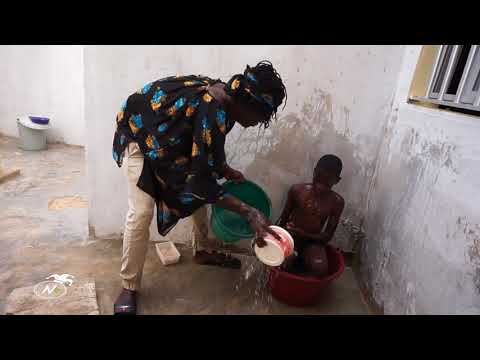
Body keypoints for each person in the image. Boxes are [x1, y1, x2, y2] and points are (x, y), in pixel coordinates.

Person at [112, 61, 287, 314]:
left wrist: (224, 170)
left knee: (198, 190)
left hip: (166, 144)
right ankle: (129, 286)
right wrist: (248, 212)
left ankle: (203, 251)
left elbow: (206, 147)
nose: (256, 123)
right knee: (141, 212)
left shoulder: (227, 100)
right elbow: (202, 179)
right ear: (246, 102)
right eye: (258, 117)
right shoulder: (211, 108)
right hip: (138, 135)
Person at [277, 155, 344, 277]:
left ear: (336, 181)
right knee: (280, 259)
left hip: (313, 242)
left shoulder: (337, 202)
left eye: (327, 181)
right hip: (290, 236)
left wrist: (304, 234)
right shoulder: (297, 190)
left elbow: (327, 236)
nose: (320, 185)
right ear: (314, 171)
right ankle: (290, 266)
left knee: (320, 269)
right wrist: (281, 238)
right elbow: (283, 219)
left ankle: (298, 277)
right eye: (318, 178)